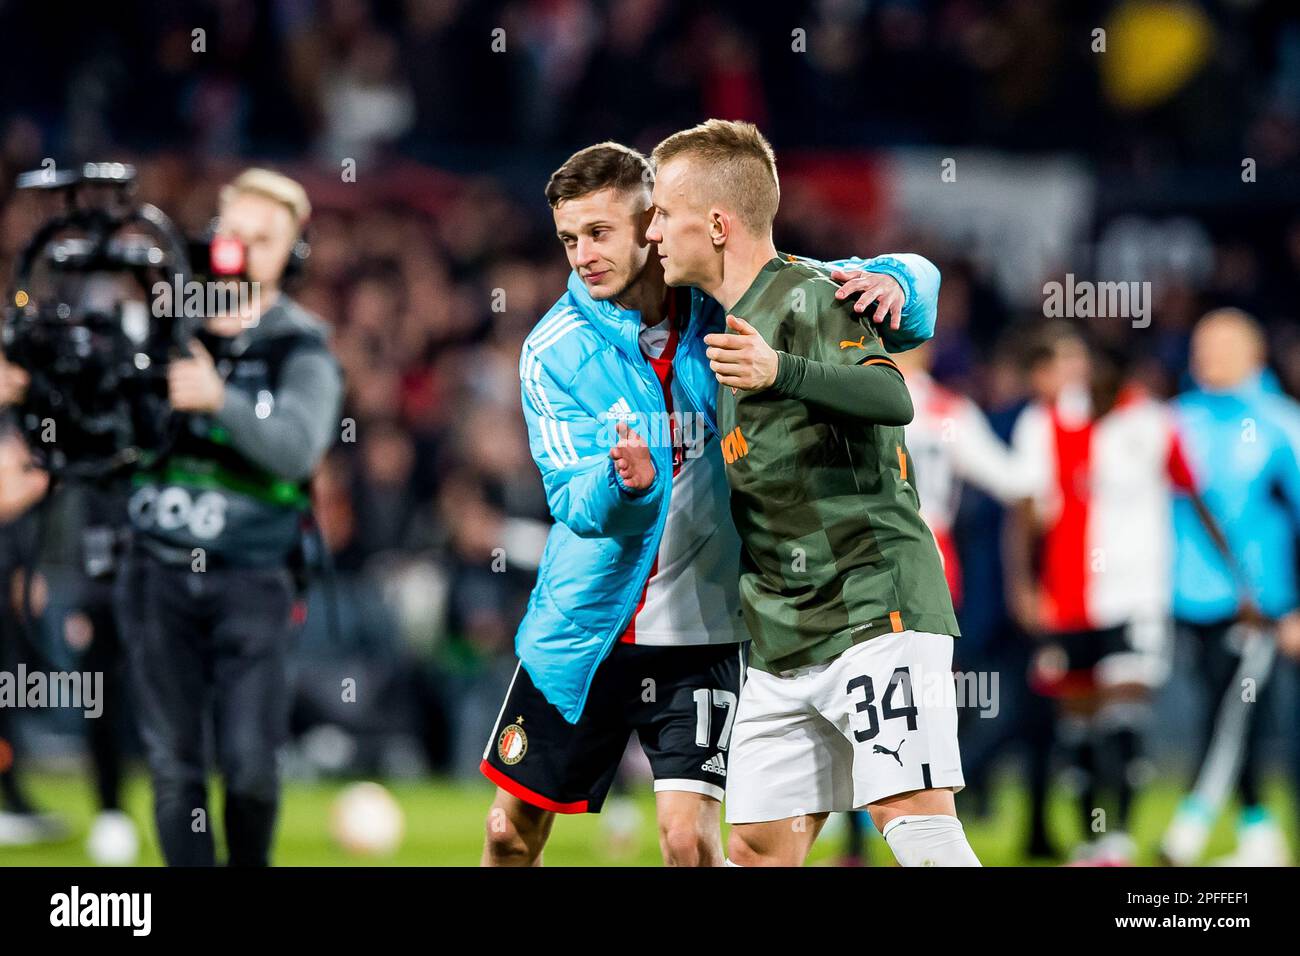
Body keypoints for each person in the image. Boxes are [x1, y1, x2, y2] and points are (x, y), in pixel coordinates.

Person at [480, 141, 941, 866]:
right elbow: (573, 498)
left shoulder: (727, 304)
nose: (582, 255)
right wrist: (624, 487)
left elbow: (859, 289)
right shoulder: (553, 350)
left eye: (602, 232)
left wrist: (906, 284)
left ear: (651, 222)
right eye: (569, 239)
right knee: (509, 834)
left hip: (705, 630)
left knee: (689, 843)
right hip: (587, 629)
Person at [646, 119, 978, 867]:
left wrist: (782, 373)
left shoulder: (812, 295)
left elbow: (892, 395)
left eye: (665, 212)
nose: (654, 229)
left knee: (916, 826)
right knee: (760, 851)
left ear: (719, 223)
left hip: (872, 606)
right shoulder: (724, 321)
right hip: (781, 635)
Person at [116, 168, 342, 865]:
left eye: (263, 239)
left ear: (291, 255)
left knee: (248, 765)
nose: (242, 249)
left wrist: (220, 401)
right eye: (232, 233)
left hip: (253, 576)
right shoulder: (158, 326)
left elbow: (298, 450)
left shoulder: (302, 345)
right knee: (175, 764)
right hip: (154, 570)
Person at [1005, 321, 1248, 865]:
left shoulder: (1153, 422)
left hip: (1138, 597)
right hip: (1069, 602)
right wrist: (1024, 587)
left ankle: (1118, 837)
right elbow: (1024, 511)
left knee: (1124, 717)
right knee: (1079, 730)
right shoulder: (1045, 420)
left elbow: (1197, 498)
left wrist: (1239, 579)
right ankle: (1092, 840)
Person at [1161, 309, 1300, 866]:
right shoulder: (1174, 419)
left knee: (1235, 714)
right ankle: (1259, 834)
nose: (1208, 357)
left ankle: (1189, 831)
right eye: (1201, 345)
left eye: (1222, 346)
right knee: (1222, 713)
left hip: (1258, 606)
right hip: (1183, 598)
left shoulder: (1280, 422)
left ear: (1254, 354)